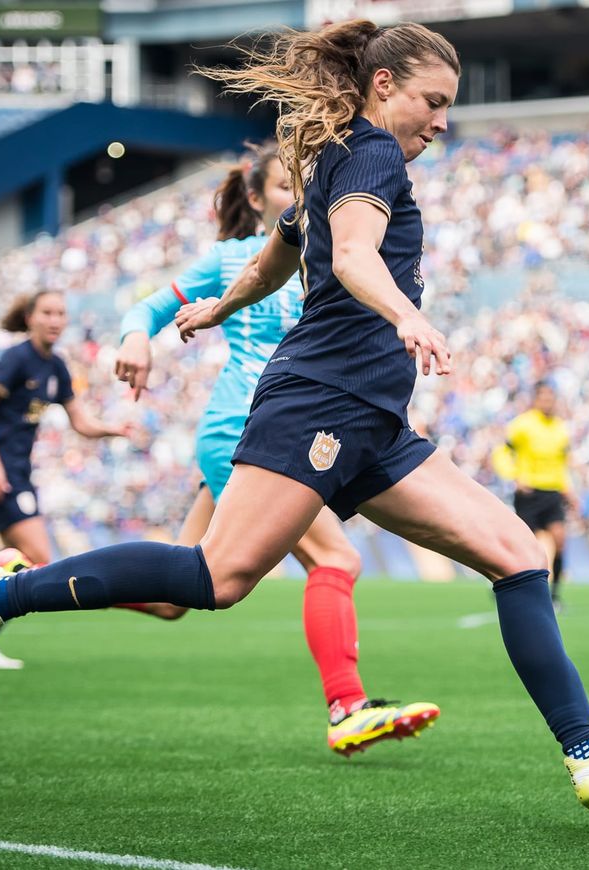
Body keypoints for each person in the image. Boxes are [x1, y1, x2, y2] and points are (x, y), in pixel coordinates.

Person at [0, 19, 589, 813]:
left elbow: (280, 252)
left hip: (374, 422)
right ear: (384, 86)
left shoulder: (339, 155)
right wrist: (407, 317)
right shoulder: (371, 154)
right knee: (213, 579)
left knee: (517, 553)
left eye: (449, 106)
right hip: (319, 401)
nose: (442, 120)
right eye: (433, 101)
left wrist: (222, 305)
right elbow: (353, 258)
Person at [112, 144, 438, 755]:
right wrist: (137, 339)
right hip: (249, 425)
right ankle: (347, 706)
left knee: (172, 599)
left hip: (286, 424)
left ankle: (24, 580)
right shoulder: (235, 258)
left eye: (302, 185)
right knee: (336, 560)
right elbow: (150, 305)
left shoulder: (340, 250)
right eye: (284, 188)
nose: (298, 196)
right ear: (259, 200)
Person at [0, 290, 135, 668]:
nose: (55, 320)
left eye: (61, 313)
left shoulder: (57, 368)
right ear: (31, 317)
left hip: (17, 473)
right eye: (47, 312)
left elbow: (80, 422)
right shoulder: (17, 358)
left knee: (15, 563)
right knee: (36, 561)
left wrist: (111, 429)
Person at [493, 382, 578, 610]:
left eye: (551, 398)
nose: (548, 402)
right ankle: (506, 582)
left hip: (552, 492)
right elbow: (501, 452)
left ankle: (556, 595)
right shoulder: (523, 425)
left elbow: (562, 464)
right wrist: (514, 476)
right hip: (529, 493)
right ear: (536, 399)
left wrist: (569, 489)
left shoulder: (560, 428)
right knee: (524, 545)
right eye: (544, 398)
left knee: (560, 541)